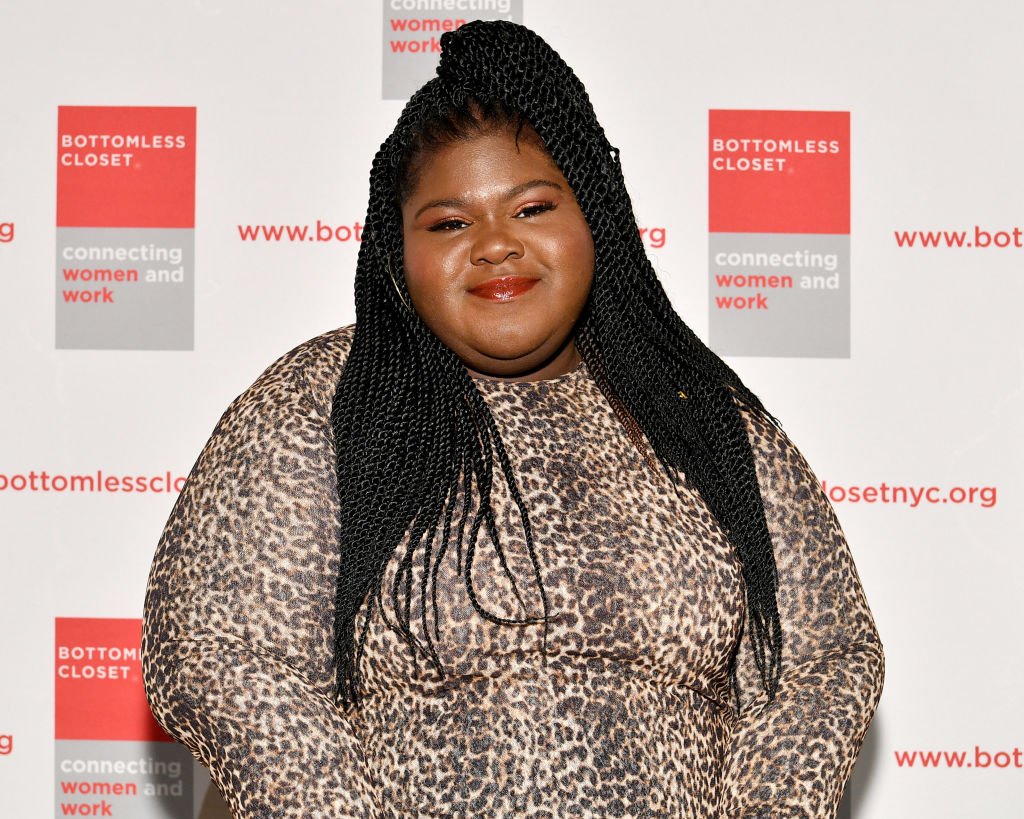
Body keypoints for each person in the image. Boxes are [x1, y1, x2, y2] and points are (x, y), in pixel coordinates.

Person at [141, 20, 884, 819]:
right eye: (451, 223)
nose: (496, 245)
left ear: (591, 217)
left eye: (532, 207)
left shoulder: (701, 416)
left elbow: (822, 658)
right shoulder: (319, 401)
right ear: (398, 252)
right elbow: (225, 656)